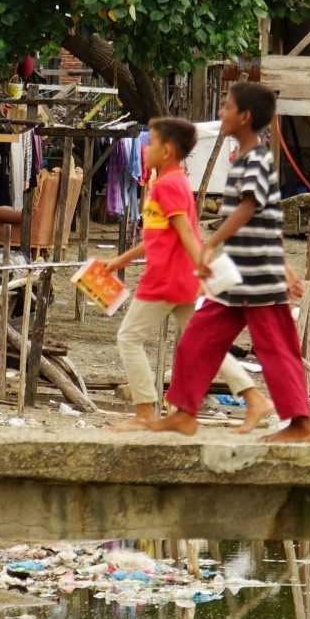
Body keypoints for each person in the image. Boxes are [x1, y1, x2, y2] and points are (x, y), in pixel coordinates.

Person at [150, 82, 310, 442]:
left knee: (275, 346)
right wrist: (285, 266)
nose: (222, 113)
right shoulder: (242, 157)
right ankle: (184, 411)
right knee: (197, 338)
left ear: (244, 117)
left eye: (227, 107)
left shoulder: (257, 158)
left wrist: (211, 241)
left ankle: (301, 423)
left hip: (256, 277)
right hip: (237, 275)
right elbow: (269, 220)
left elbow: (250, 206)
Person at [107, 117, 270, 434]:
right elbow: (156, 238)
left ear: (166, 150)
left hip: (166, 279)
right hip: (181, 279)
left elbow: (185, 233)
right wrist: (118, 262)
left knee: (128, 338)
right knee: (204, 344)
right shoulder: (174, 182)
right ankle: (253, 396)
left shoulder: (168, 185)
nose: (145, 149)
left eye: (151, 143)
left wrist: (201, 265)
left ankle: (144, 411)